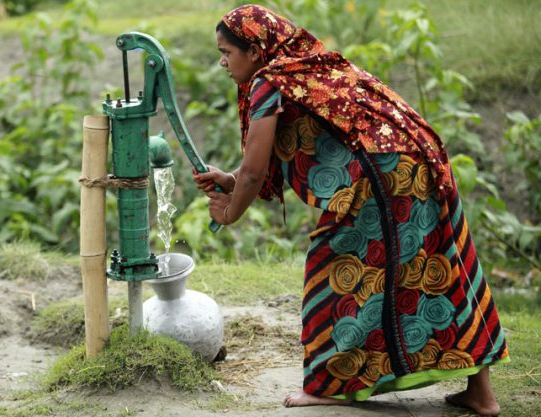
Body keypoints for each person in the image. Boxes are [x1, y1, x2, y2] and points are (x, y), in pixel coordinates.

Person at [192, 4, 510, 416]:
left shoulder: (269, 82)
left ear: (254, 50)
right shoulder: (304, 68)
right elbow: (250, 171)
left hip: (384, 174)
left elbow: (255, 174)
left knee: (333, 267)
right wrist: (231, 181)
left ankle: (328, 385)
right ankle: (481, 393)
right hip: (418, 161)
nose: (222, 62)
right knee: (444, 263)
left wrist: (229, 212)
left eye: (226, 52)